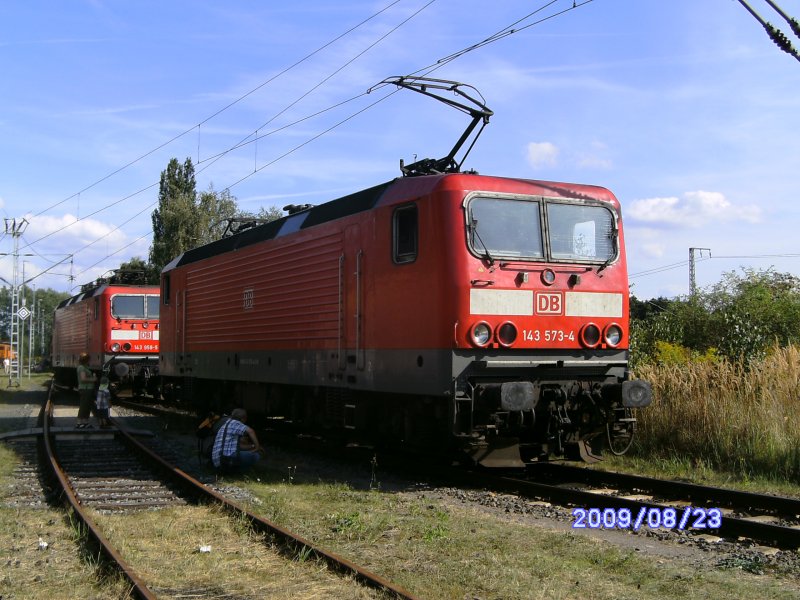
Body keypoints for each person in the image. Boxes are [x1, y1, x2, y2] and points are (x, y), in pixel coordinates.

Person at [210, 408, 263, 472]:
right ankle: (241, 470)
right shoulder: (236, 423)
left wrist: (252, 446)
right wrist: (257, 447)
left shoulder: (226, 424)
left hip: (217, 462)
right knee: (256, 455)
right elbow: (251, 431)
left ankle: (235, 471)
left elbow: (238, 447)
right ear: (243, 418)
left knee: (245, 454)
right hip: (225, 459)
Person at [76, 352, 96, 429]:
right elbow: (83, 379)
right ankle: (79, 423)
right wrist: (93, 379)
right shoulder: (81, 368)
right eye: (88, 359)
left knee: (87, 406)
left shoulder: (84, 367)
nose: (89, 361)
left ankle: (85, 422)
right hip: (85, 388)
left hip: (88, 388)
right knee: (83, 406)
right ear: (86, 360)